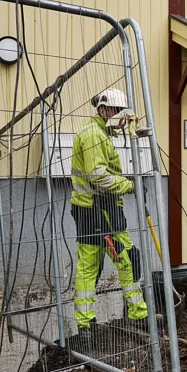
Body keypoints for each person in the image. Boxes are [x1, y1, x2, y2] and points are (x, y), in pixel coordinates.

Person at [70, 88, 147, 338]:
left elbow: (101, 142)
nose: (116, 115)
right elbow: (98, 176)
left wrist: (119, 129)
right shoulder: (94, 136)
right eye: (113, 111)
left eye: (119, 112)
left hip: (92, 209)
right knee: (122, 259)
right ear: (102, 110)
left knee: (91, 266)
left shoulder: (97, 131)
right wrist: (129, 185)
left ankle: (87, 325)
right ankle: (136, 315)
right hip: (99, 208)